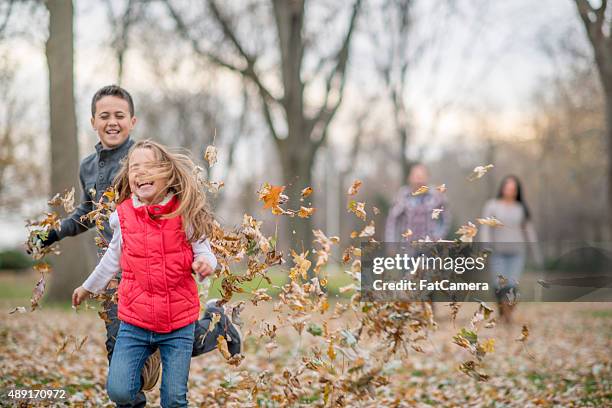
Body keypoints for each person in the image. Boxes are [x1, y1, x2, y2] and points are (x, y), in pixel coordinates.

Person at [40, 86, 239, 407]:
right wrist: (55, 233)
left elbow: (177, 205)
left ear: (132, 121)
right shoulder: (88, 167)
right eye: (104, 116)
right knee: (119, 351)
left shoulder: (142, 159)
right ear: (93, 121)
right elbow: (86, 213)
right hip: (120, 267)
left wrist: (200, 257)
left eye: (119, 115)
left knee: (168, 338)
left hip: (164, 273)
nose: (112, 122)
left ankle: (216, 327)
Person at [72, 140, 237, 407]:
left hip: (178, 324)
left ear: (167, 174)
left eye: (149, 166)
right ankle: (146, 360)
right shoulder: (123, 217)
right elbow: (112, 259)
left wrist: (206, 264)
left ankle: (217, 321)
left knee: (173, 399)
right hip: (135, 322)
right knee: (120, 391)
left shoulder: (185, 213)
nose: (140, 173)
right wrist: (87, 287)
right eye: (135, 168)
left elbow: (205, 253)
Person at [480, 175, 541, 323]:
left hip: (517, 252)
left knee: (512, 285)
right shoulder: (492, 205)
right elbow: (485, 228)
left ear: (517, 191)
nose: (510, 191)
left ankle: (508, 313)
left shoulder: (521, 208)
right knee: (499, 285)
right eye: (507, 187)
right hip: (498, 252)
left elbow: (529, 230)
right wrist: (485, 246)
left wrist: (535, 251)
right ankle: (502, 311)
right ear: (502, 188)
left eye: (513, 188)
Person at [385, 163, 451, 242]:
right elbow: (392, 221)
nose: (419, 180)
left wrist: (437, 236)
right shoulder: (402, 196)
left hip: (429, 247)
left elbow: (445, 219)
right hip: (407, 246)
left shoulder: (436, 196)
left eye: (422, 176)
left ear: (427, 178)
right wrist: (391, 243)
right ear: (409, 178)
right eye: (416, 176)